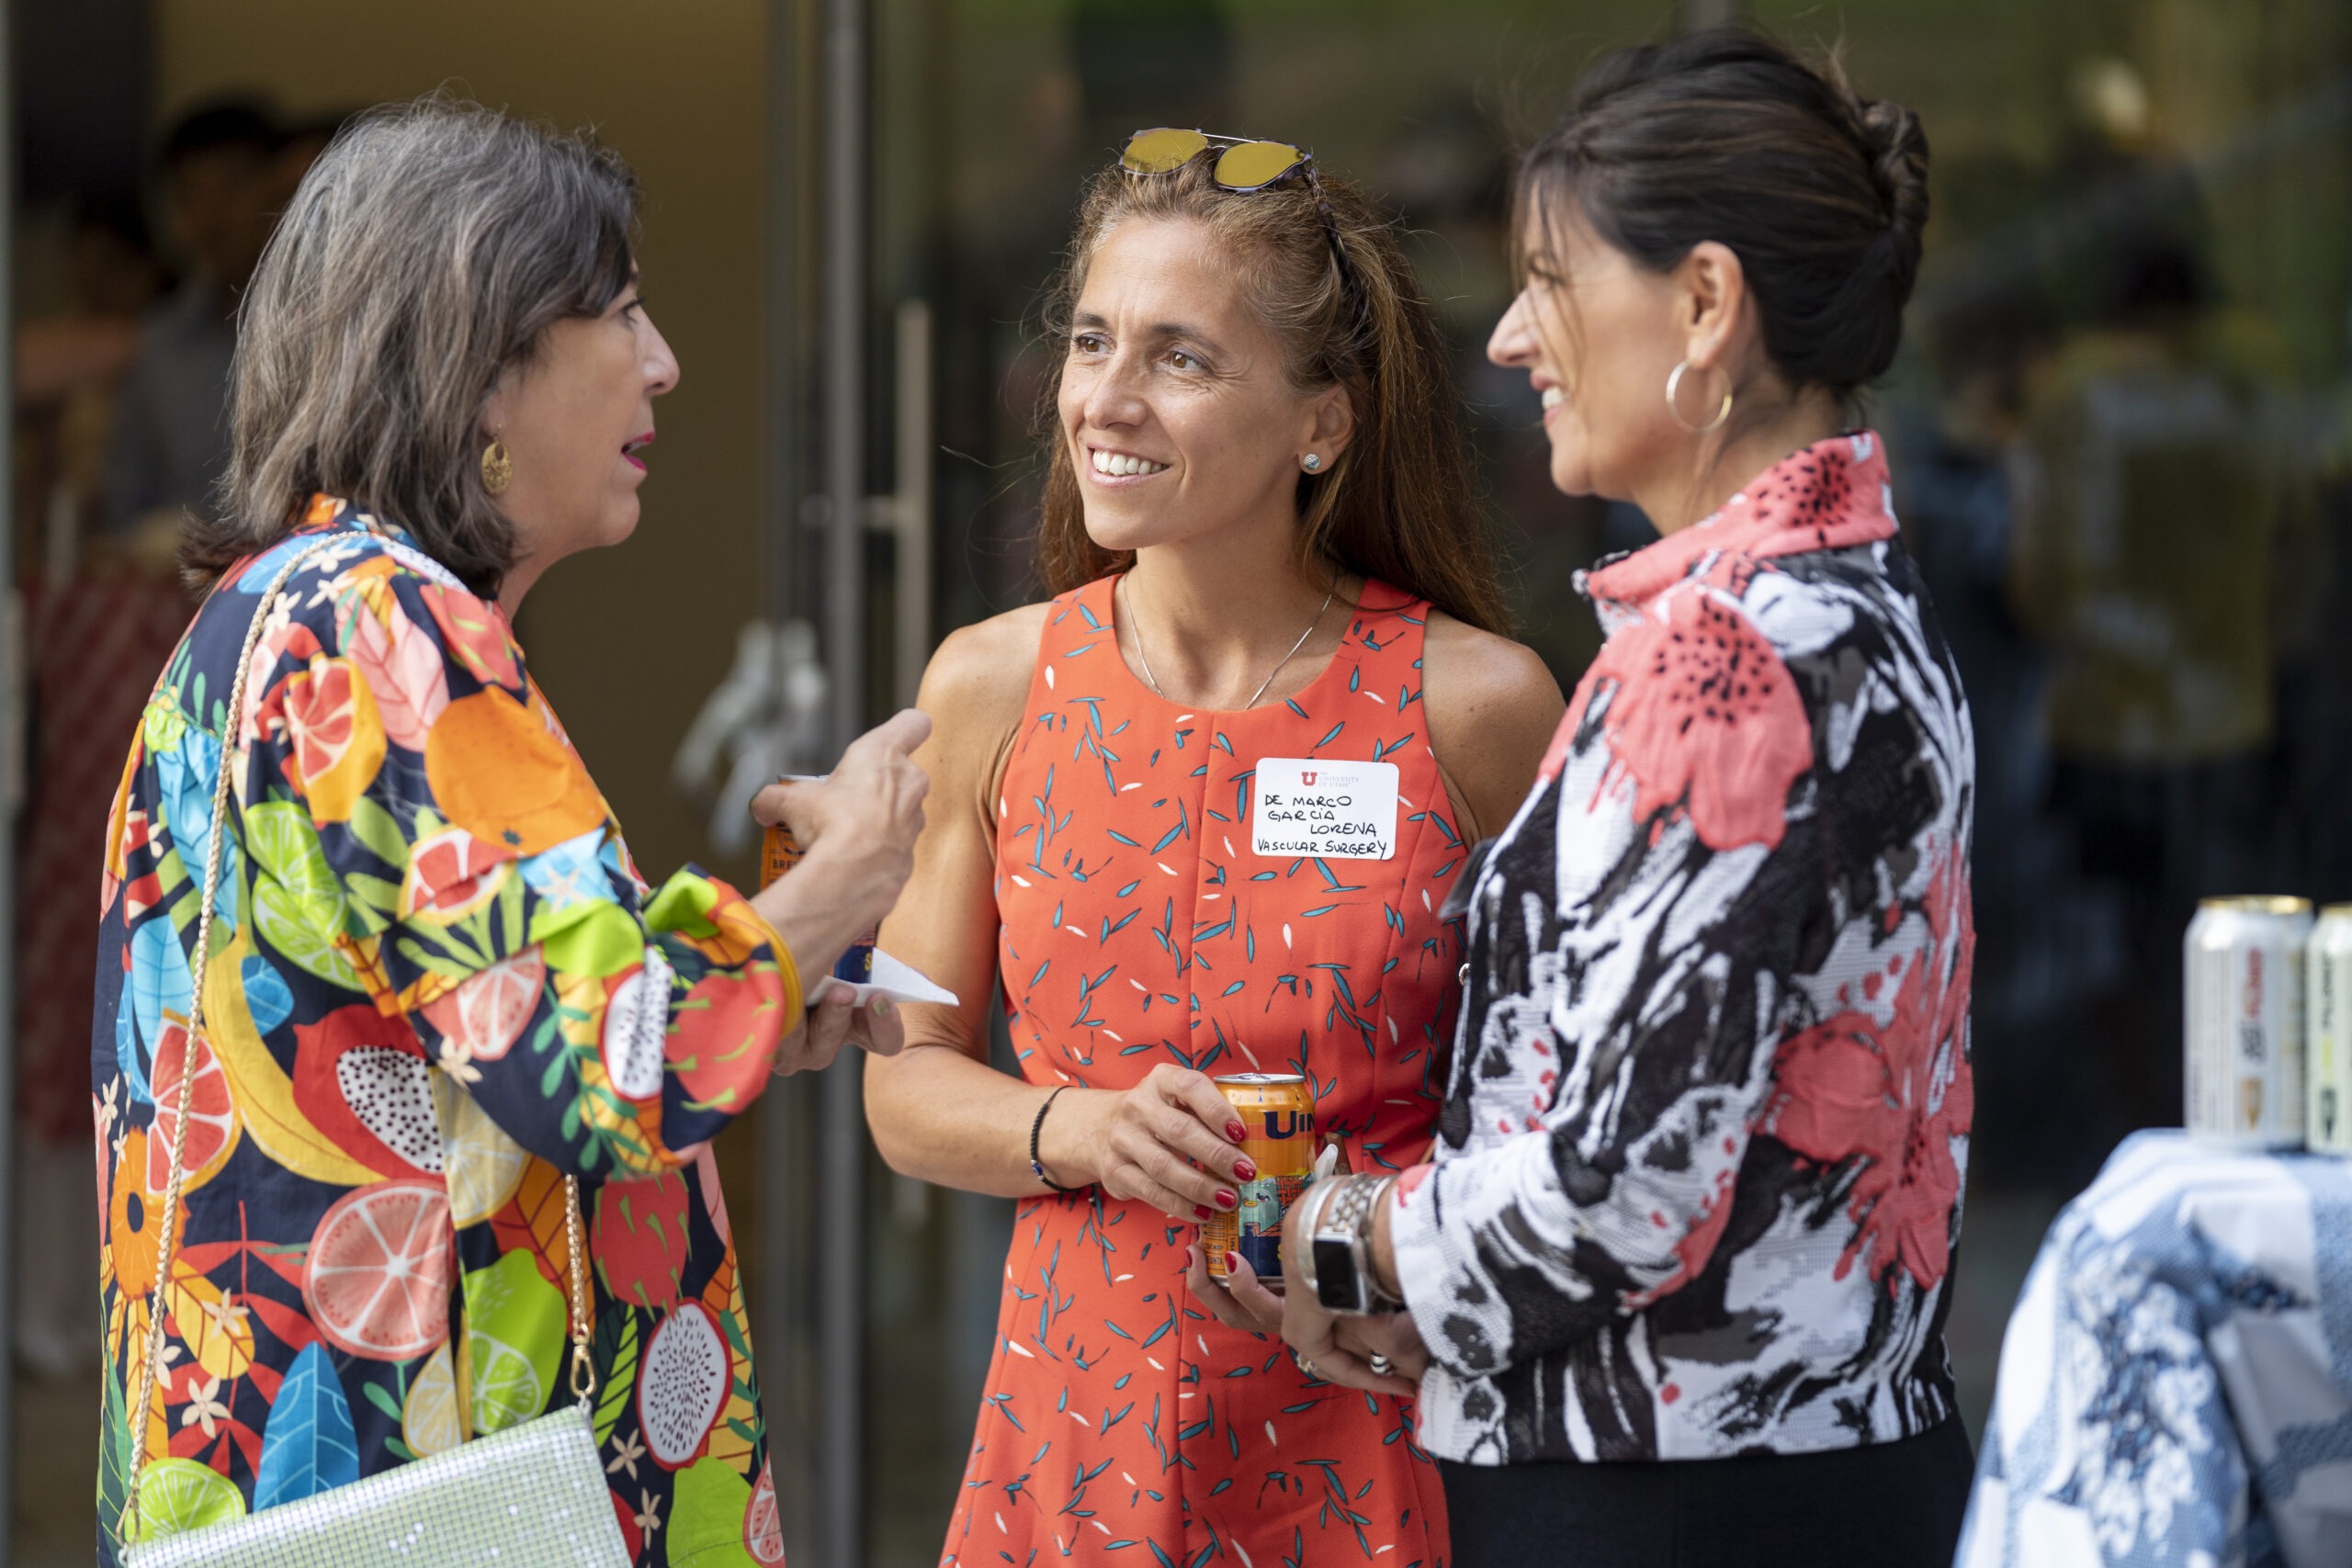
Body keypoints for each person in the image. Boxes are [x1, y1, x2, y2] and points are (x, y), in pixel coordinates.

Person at [92, 97, 927, 1566]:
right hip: (444, 1496)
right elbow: (605, 1059)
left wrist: (770, 983)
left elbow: (461, 1039)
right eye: (618, 309)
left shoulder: (281, 613)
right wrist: (846, 872)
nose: (663, 359)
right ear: (478, 369)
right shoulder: (386, 626)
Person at [1279, 28, 1979, 1568]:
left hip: (1665, 1491)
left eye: (1552, 280)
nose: (1514, 340)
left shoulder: (1726, 656)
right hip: (1820, 1454)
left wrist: (1340, 1236)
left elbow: (1623, 1181)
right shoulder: (1865, 603)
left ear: (1707, 305)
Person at [864, 132, 1562, 1563]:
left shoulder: (1475, 704)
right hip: (1075, 1436)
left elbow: (1569, 1120)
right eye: (1092, 341)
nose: (1105, 400)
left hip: (1370, 1425)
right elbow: (905, 1084)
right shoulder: (991, 686)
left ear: (1323, 422)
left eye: (1181, 357)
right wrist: (1080, 1125)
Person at [104, 101, 288, 558]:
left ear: (284, 189)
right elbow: (127, 504)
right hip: (176, 600)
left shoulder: (328, 327)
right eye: (191, 196)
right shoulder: (161, 342)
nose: (213, 215)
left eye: (233, 187)